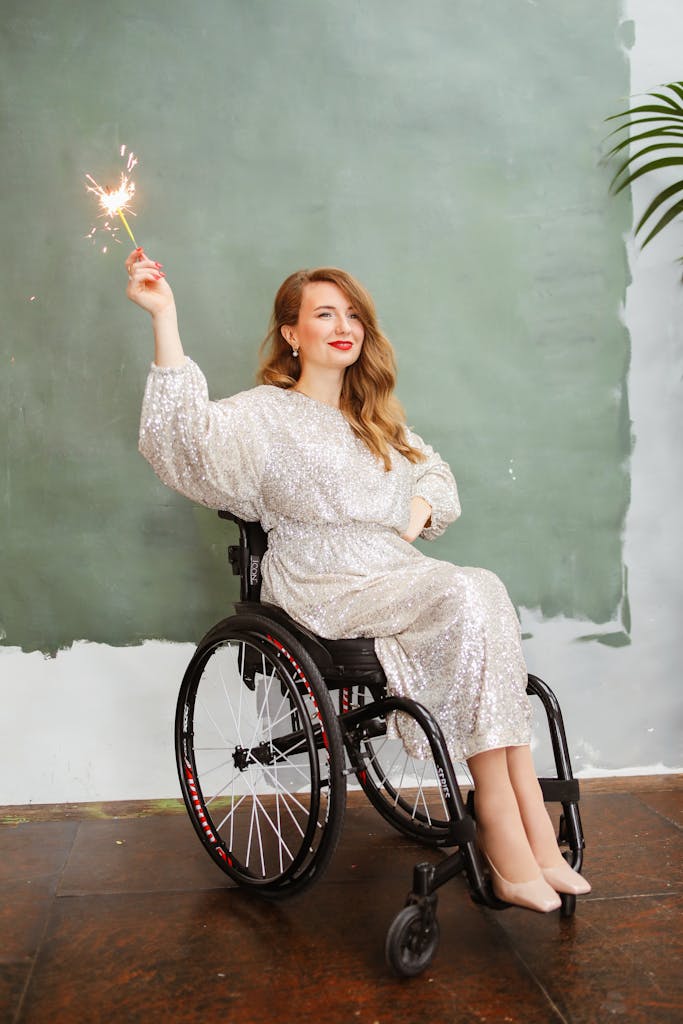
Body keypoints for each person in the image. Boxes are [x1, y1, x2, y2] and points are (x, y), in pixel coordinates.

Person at [127, 248, 590, 912]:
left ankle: (525, 834)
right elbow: (183, 441)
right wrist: (163, 315)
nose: (343, 325)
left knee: (478, 586)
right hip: (321, 580)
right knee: (468, 588)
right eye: (323, 313)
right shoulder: (264, 413)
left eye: (352, 315)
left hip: (392, 571)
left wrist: (419, 509)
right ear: (291, 333)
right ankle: (508, 830)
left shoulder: (374, 419)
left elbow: (433, 475)